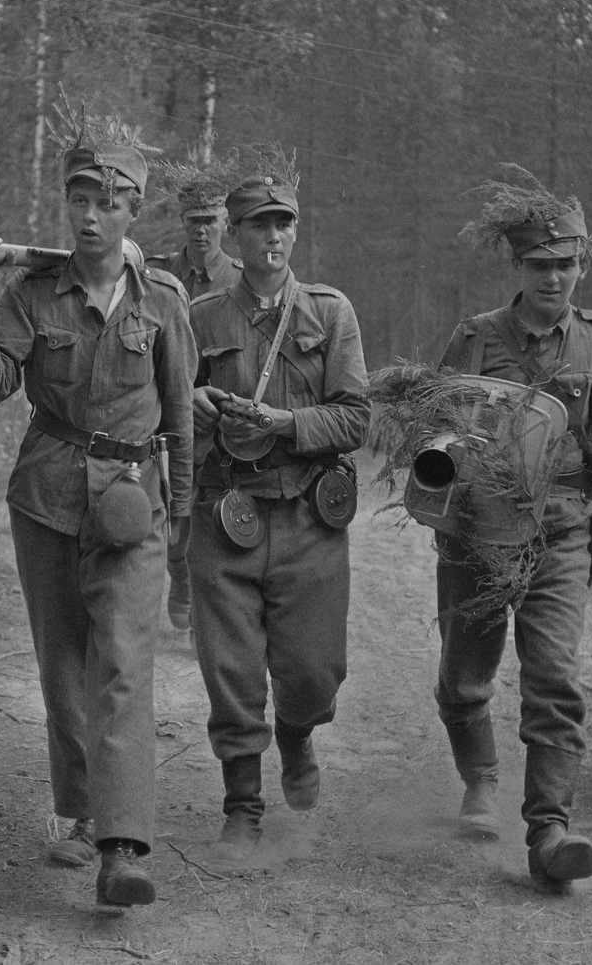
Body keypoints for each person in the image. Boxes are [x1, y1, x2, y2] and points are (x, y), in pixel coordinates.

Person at [0, 127, 195, 907]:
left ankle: (123, 848)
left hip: (133, 503)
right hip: (49, 498)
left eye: (110, 204)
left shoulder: (162, 301)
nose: (91, 218)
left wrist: (181, 523)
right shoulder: (32, 293)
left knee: (124, 666)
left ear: (134, 211)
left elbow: (183, 418)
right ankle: (85, 813)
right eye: (80, 201)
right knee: (65, 668)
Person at [436, 176, 592, 892]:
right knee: (466, 675)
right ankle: (479, 777)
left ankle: (550, 831)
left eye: (565, 265)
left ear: (582, 267)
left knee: (555, 678)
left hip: (563, 531)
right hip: (477, 533)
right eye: (540, 266)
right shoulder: (475, 338)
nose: (553, 277)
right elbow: (433, 433)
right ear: (518, 270)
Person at [186, 170, 370, 857]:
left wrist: (285, 423)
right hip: (225, 511)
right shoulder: (199, 317)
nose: (273, 235)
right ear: (234, 234)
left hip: (307, 516)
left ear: (296, 230)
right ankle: (242, 804)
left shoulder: (330, 312)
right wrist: (195, 408)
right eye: (258, 224)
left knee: (314, 675)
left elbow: (356, 417)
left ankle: (296, 735)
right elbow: (167, 419)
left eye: (283, 222)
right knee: (231, 671)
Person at [147, 184, 243, 636]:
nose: (201, 230)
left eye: (210, 221)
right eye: (193, 221)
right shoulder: (155, 274)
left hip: (219, 419)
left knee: (215, 511)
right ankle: (180, 580)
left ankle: (205, 599)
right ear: (182, 223)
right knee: (169, 509)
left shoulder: (241, 281)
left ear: (225, 222)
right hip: (162, 414)